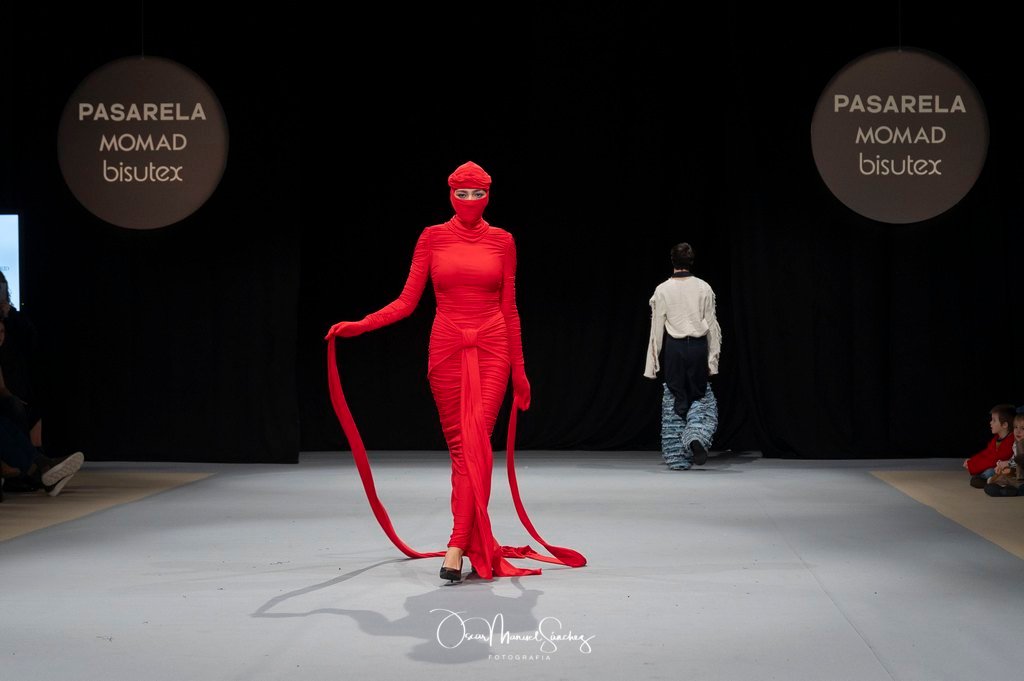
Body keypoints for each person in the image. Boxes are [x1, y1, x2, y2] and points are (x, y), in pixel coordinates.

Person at [325, 161, 586, 582]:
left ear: (489, 195)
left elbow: (510, 309)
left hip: (492, 347)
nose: (469, 201)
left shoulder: (503, 241)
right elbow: (407, 301)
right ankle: (464, 541)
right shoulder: (432, 237)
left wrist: (519, 371)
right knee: (463, 451)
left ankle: (456, 544)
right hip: (447, 349)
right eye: (461, 194)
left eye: (477, 194)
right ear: (450, 194)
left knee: (477, 441)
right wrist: (362, 325)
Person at [643, 243, 722, 471]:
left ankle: (678, 454)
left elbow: (656, 330)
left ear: (672, 261)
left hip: (675, 349)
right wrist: (712, 361)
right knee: (699, 395)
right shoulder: (703, 287)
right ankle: (695, 436)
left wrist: (652, 365)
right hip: (697, 347)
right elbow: (712, 326)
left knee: (676, 396)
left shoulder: (663, 289)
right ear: (691, 261)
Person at [964, 404, 1016, 488]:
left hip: (1004, 468)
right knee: (987, 471)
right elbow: (986, 453)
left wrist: (973, 465)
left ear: (1004, 425)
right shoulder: (996, 439)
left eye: (994, 420)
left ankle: (990, 481)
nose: (990, 422)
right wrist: (972, 460)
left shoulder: (1011, 440)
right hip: (996, 467)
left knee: (989, 472)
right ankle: (988, 480)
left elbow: (995, 459)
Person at [984, 409, 1024, 497]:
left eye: (1023, 428)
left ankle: (1013, 490)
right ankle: (1002, 487)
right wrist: (1004, 466)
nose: (1018, 431)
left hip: (1021, 477)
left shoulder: (1021, 444)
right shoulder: (1016, 444)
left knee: (1014, 481)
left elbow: (1020, 459)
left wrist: (1008, 464)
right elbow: (1014, 459)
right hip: (1017, 474)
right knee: (1002, 476)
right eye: (1015, 427)